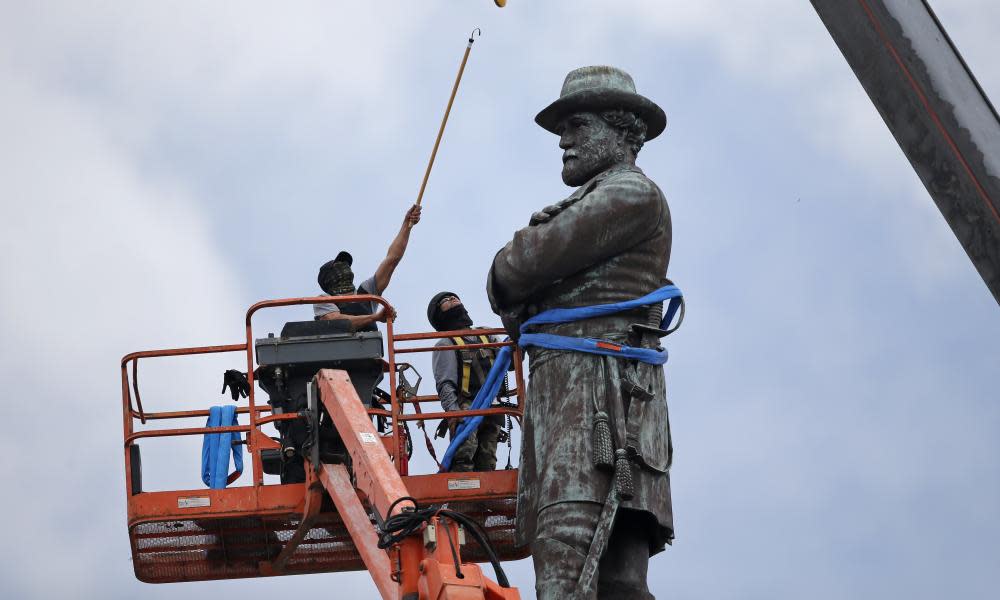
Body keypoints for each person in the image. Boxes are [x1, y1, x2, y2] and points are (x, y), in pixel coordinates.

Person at [487, 66, 675, 599]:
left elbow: (518, 265)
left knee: (570, 568)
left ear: (621, 131)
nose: (564, 141)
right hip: (606, 407)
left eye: (577, 125)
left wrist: (517, 267)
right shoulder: (606, 198)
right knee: (616, 582)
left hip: (595, 408)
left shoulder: (629, 196)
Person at [426, 292, 503, 472]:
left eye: (454, 297)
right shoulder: (445, 344)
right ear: (439, 316)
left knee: (488, 458)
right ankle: (461, 496)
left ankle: (485, 498)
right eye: (445, 301)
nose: (452, 299)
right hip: (466, 407)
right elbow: (445, 384)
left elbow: (510, 362)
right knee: (464, 454)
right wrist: (454, 414)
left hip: (492, 406)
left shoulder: (487, 335)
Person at [314, 204, 421, 329]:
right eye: (339, 265)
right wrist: (375, 317)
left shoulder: (366, 292)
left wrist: (406, 225)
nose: (345, 267)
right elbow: (335, 321)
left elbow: (392, 260)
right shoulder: (324, 300)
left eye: (345, 264)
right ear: (328, 278)